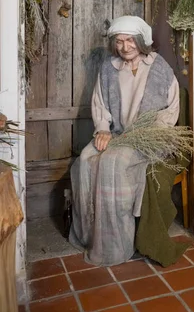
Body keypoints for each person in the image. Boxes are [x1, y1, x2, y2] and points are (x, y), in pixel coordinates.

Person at [69, 15, 180, 266]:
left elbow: (170, 109)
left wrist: (145, 133)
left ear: (141, 41)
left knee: (113, 163)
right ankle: (90, 236)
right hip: (117, 133)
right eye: (119, 42)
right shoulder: (109, 67)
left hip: (148, 137)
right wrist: (102, 129)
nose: (125, 47)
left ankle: (117, 243)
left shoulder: (159, 67)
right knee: (85, 160)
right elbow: (100, 102)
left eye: (130, 40)